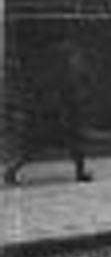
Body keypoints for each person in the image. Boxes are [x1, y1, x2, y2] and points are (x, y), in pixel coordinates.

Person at [4, 33, 93, 185]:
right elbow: (67, 91)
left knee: (67, 143)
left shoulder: (57, 69)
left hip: (57, 111)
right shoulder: (62, 71)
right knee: (40, 143)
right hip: (57, 111)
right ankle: (12, 171)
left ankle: (80, 172)